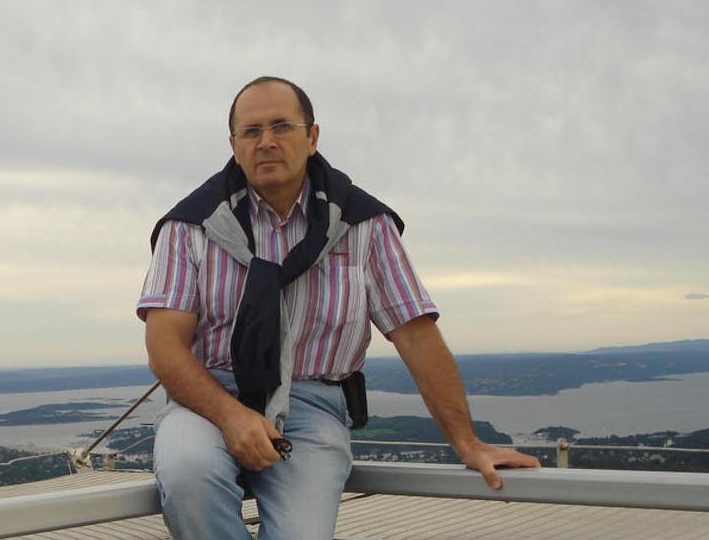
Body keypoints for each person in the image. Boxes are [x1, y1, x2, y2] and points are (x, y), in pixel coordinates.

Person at [135, 76, 541, 540]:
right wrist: (231, 416)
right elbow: (165, 347)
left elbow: (416, 336)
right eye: (251, 131)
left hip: (312, 401)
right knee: (189, 479)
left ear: (312, 137)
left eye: (281, 126)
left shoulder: (363, 224)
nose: (266, 142)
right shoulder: (190, 226)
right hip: (208, 398)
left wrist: (467, 443)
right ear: (234, 146)